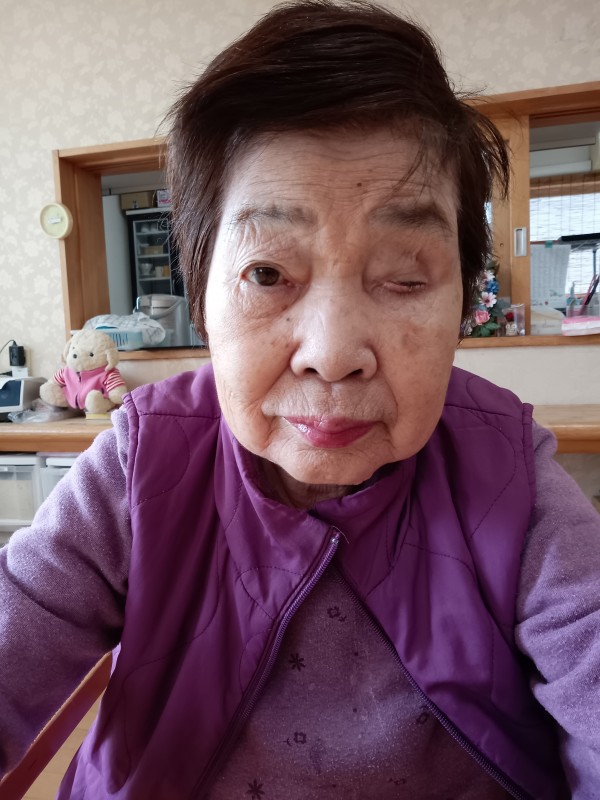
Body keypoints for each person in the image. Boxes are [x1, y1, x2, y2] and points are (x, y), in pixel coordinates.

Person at [1, 1, 599, 798]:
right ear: (201, 295)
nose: (333, 352)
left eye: (406, 277)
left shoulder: (509, 482)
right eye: (267, 273)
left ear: (463, 301)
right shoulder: (140, 466)